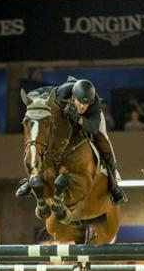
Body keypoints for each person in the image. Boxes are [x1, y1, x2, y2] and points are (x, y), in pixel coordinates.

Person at [15, 77, 127, 205]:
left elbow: (94, 128)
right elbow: (37, 93)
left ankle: (114, 184)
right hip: (65, 119)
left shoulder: (94, 104)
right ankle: (31, 181)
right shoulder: (62, 92)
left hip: (89, 120)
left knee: (104, 141)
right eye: (80, 103)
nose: (83, 107)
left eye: (86, 104)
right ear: (73, 96)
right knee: (44, 140)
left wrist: (79, 118)